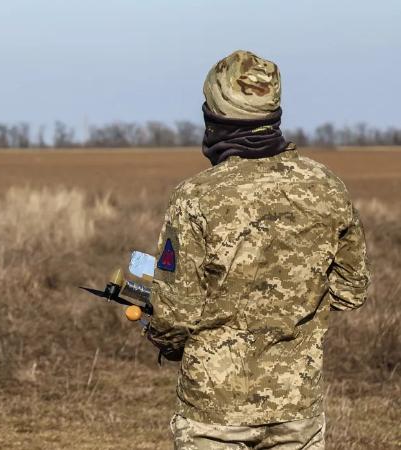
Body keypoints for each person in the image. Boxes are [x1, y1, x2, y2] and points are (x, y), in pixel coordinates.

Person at [146, 50, 370, 449]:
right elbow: (352, 290)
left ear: (212, 118)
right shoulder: (327, 186)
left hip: (213, 412)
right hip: (297, 407)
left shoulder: (195, 197)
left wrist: (163, 336)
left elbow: (175, 314)